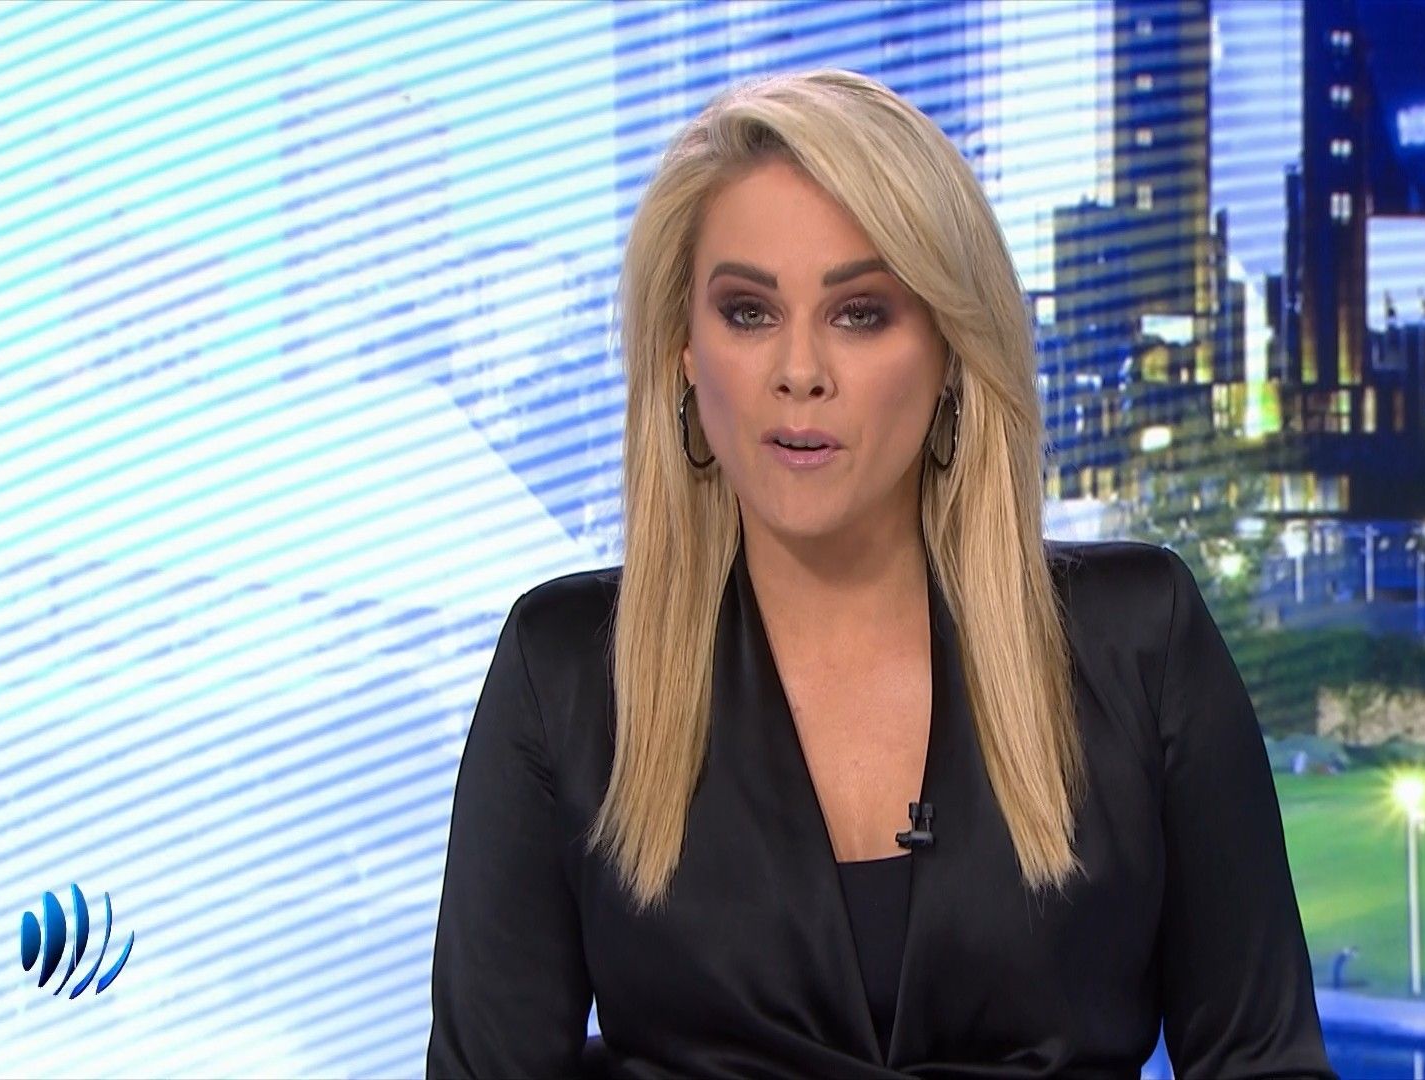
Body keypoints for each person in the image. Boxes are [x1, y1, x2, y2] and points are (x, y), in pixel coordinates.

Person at [425, 68, 1335, 1080]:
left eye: (859, 313)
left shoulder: (1138, 643)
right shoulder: (565, 674)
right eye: (748, 312)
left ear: (949, 349)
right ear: (685, 352)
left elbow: (1266, 1064)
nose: (799, 372)